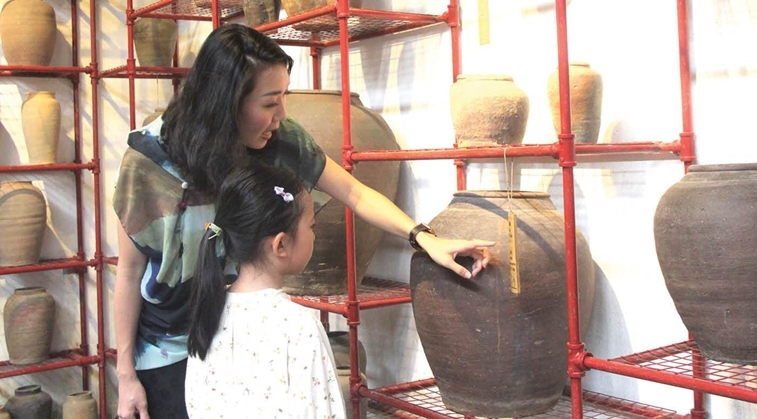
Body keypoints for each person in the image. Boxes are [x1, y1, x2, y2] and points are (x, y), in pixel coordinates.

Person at [112, 23, 495, 419]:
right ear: (226, 103)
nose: (281, 115)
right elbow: (129, 274)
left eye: (284, 98)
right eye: (269, 102)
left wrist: (424, 238)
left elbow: (356, 193)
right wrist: (126, 377)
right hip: (167, 351)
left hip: (234, 339)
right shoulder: (150, 161)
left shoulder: (279, 138)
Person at [184, 164, 345, 418]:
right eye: (311, 226)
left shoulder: (209, 312)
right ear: (281, 244)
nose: (314, 235)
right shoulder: (299, 326)